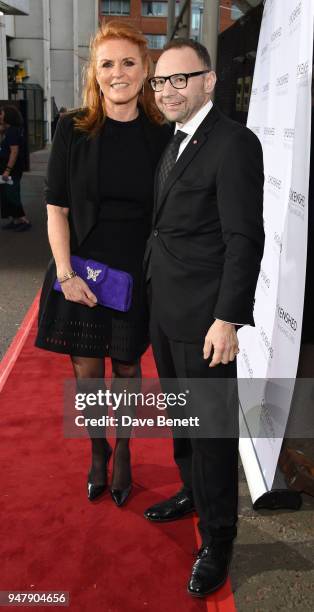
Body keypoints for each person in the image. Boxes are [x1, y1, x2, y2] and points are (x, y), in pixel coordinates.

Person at [144, 39, 265, 597]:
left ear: (209, 81)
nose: (167, 91)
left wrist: (227, 319)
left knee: (213, 435)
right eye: (160, 82)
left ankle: (219, 538)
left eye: (179, 79)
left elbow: (244, 239)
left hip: (207, 321)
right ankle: (193, 494)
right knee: (184, 424)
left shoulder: (234, 144)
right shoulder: (175, 139)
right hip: (165, 311)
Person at [35, 21, 170, 506]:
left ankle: (127, 452)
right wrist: (66, 275)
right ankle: (98, 451)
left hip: (136, 274)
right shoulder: (72, 127)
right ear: (95, 70)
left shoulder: (163, 133)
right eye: (108, 63)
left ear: (145, 69)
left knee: (129, 367)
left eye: (129, 62)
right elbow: (56, 209)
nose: (118, 73)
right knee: (87, 372)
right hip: (84, 273)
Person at [0, 105, 31, 231]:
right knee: (7, 194)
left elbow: (14, 152)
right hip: (7, 169)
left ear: (8, 116)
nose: (0, 116)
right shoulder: (10, 130)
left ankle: (23, 220)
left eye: (1, 114)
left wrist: (7, 169)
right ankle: (15, 219)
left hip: (11, 170)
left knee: (12, 194)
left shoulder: (13, 131)